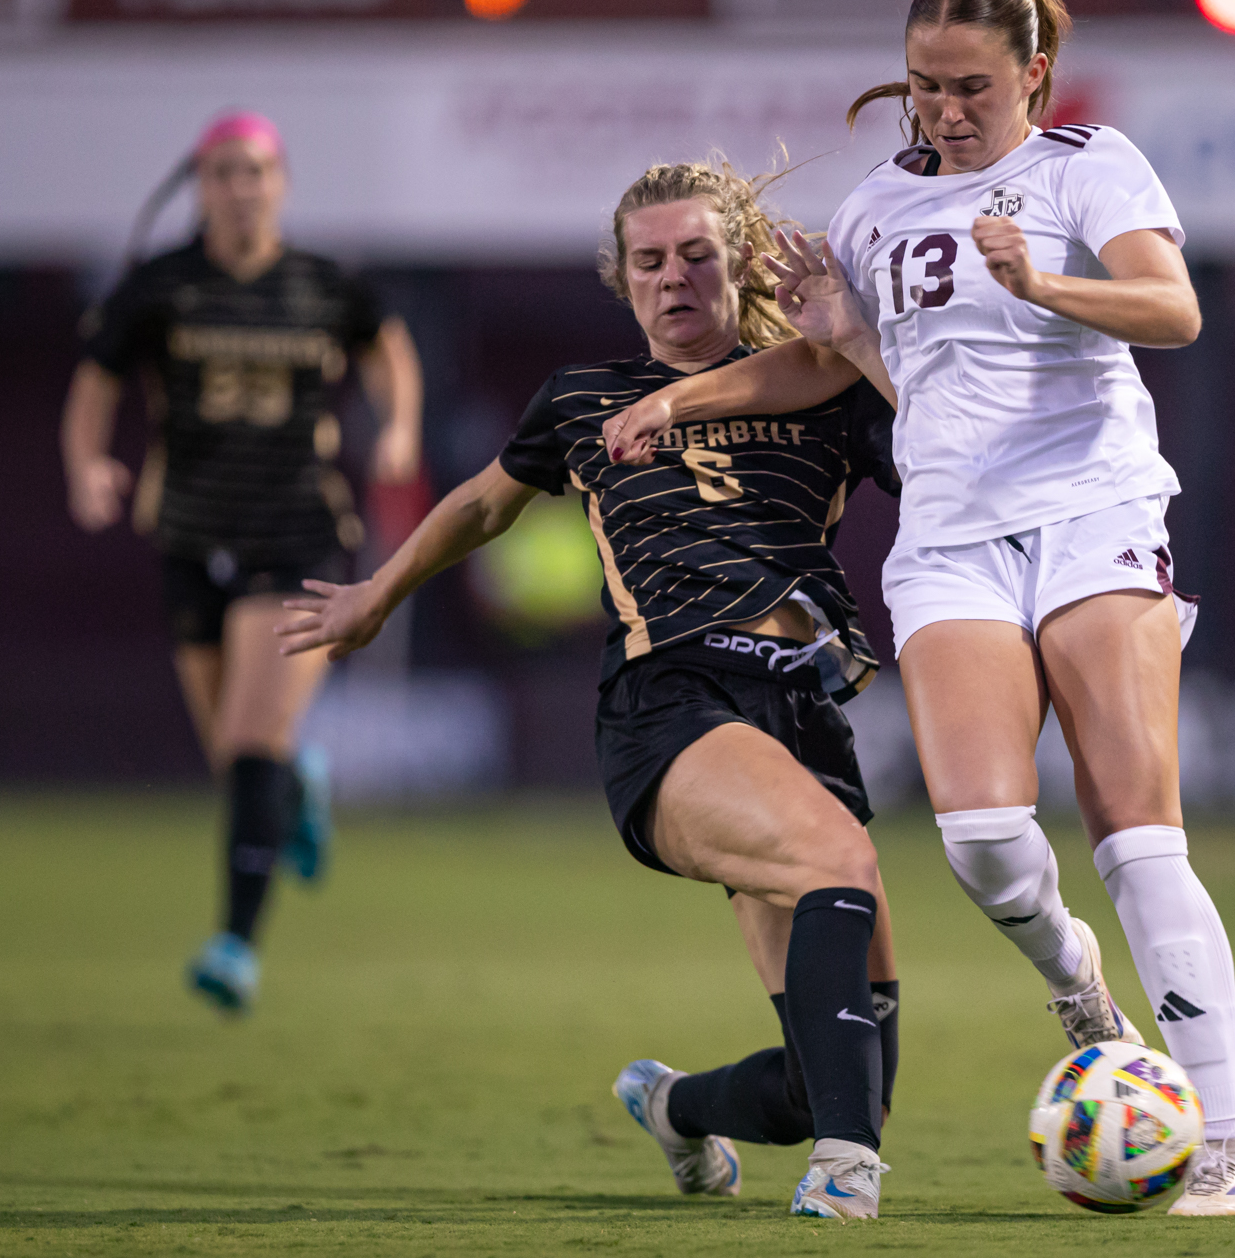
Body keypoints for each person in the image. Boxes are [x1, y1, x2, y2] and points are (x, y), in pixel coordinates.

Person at [603, 0, 1235, 1218]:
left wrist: (1045, 284)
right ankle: (1072, 974)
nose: (947, 109)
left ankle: (1220, 1141)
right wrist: (687, 392)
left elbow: (1170, 308)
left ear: (1032, 78)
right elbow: (818, 365)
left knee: (1135, 828)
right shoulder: (870, 210)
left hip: (1092, 514)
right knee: (979, 845)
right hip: (952, 537)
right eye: (924, 85)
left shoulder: (1087, 167)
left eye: (971, 86)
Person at [278, 161, 905, 1220]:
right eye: (650, 260)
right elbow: (482, 506)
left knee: (836, 1068)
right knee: (838, 864)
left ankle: (674, 1106)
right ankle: (846, 1173)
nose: (673, 279)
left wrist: (857, 342)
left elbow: (950, 452)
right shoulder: (581, 398)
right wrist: (378, 596)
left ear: (737, 261)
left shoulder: (820, 381)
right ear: (621, 277)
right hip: (674, 704)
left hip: (802, 711)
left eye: (697, 255)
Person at [61, 111, 424, 1013]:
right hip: (189, 531)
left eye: (256, 171)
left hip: (297, 531)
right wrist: (86, 465)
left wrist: (401, 427)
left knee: (250, 739)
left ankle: (236, 943)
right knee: (234, 752)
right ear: (202, 186)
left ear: (281, 183)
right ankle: (296, 780)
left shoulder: (322, 282)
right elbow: (95, 378)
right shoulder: (162, 284)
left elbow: (388, 344)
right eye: (223, 172)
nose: (241, 187)